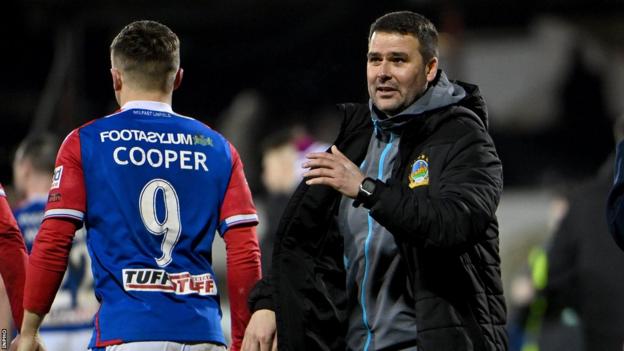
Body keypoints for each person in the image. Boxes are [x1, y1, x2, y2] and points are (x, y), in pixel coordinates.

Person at [242, 10, 507, 351]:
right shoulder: (354, 140)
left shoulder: (462, 137)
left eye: (398, 60)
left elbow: (453, 224)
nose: (382, 72)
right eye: (374, 59)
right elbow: (307, 246)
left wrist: (366, 189)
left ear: (430, 69)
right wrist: (269, 302)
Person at [16, 20, 261, 351]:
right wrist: (241, 340)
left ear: (115, 77)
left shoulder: (86, 142)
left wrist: (30, 329)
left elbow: (54, 239)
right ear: (177, 77)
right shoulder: (218, 148)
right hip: (203, 333)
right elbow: (245, 250)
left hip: (126, 332)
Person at [12, 132, 99, 351]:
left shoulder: (13, 221)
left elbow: (2, 292)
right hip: (90, 332)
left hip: (39, 335)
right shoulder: (87, 218)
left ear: (25, 167)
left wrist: (2, 342)